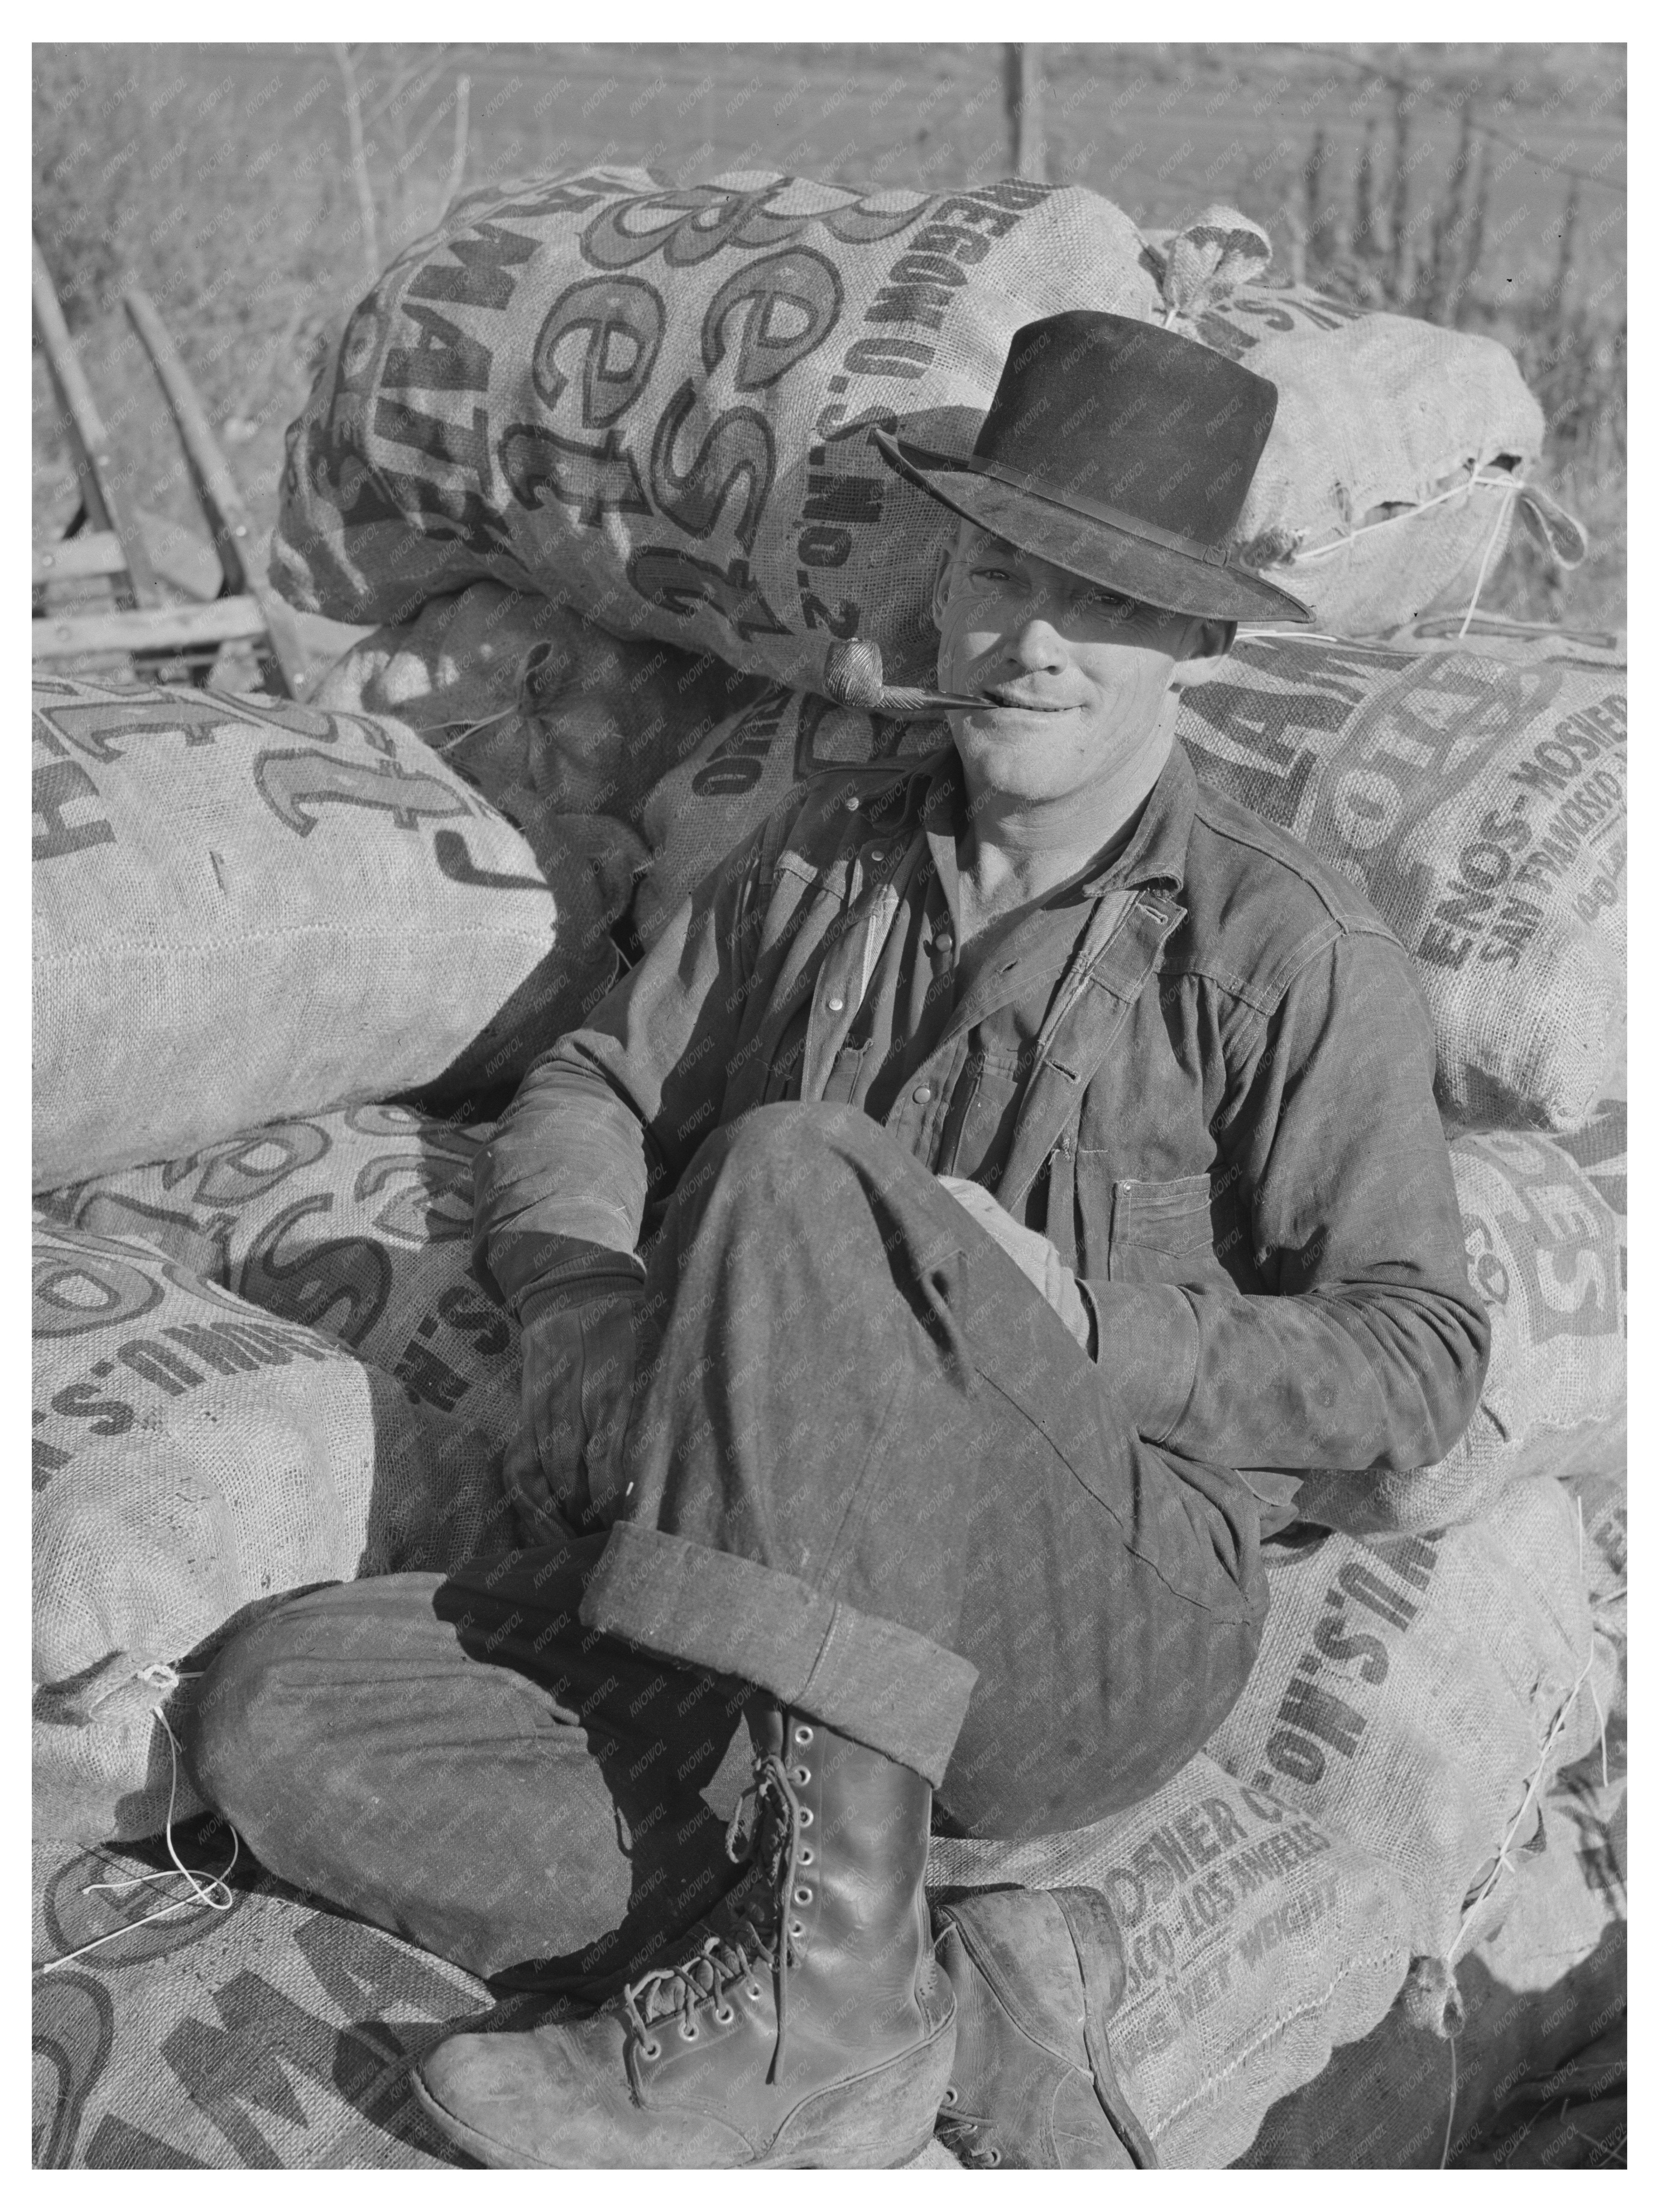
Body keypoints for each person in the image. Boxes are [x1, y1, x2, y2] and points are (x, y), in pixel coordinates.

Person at [187, 312, 1489, 2170]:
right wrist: (576, 1310)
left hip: (1090, 1620)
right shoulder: (826, 860)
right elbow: (587, 1083)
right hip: (758, 1633)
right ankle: (876, 1940)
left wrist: (1090, 1320)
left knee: (795, 1172)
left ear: (1192, 642)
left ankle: (822, 1997)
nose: (1033, 639)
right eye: (1001, 573)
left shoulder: (1277, 950)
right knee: (279, 1712)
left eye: (1100, 601)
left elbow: (1426, 1354)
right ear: (945, 589)